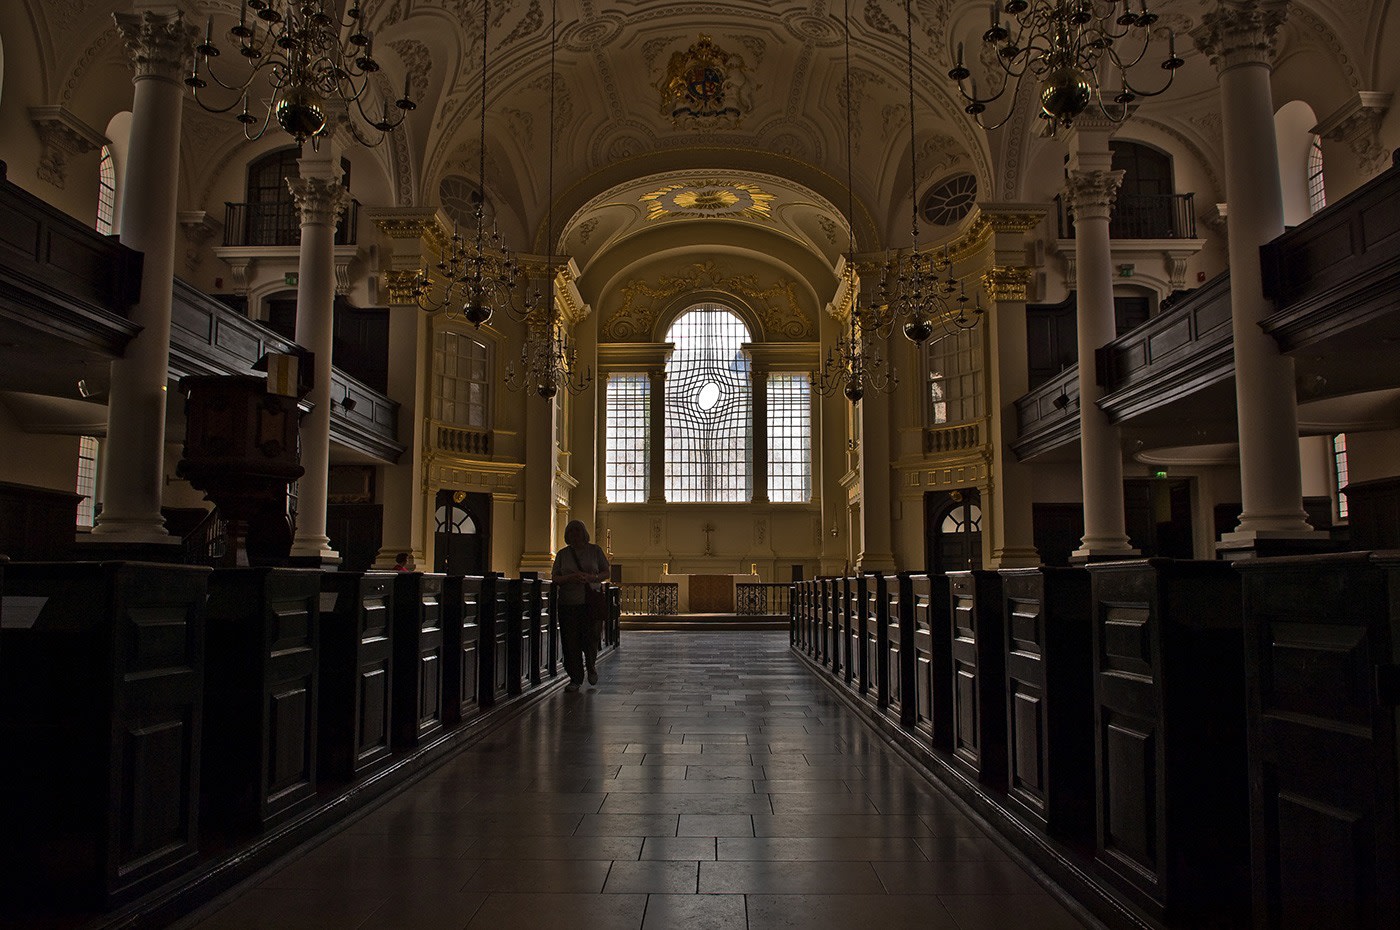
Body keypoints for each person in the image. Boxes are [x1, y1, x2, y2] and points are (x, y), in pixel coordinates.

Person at [551, 520, 610, 692]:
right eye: (571, 531)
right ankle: (575, 678)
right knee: (570, 641)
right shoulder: (563, 554)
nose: (575, 534)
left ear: (584, 533)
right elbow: (555, 577)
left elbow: (606, 572)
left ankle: (590, 665)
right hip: (568, 602)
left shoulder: (595, 551)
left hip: (590, 602)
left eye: (577, 531)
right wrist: (570, 578)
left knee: (590, 638)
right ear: (567, 535)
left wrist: (591, 578)